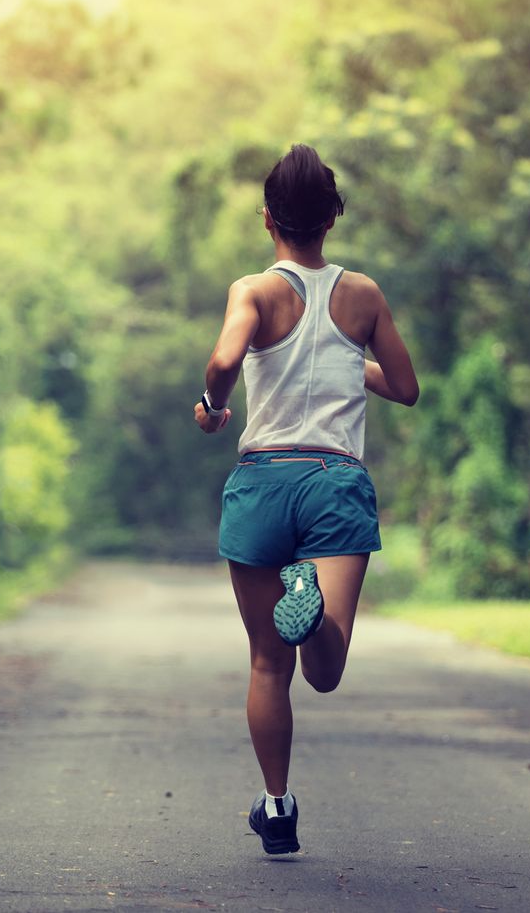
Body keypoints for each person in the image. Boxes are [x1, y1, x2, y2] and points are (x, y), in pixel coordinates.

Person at [193, 144, 418, 855]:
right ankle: (313, 611)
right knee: (324, 670)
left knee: (267, 663)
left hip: (263, 481)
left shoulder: (254, 291)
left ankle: (277, 806)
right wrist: (355, 362)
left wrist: (211, 404)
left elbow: (227, 360)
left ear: (268, 220)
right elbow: (407, 387)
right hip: (334, 482)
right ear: (334, 216)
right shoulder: (364, 295)